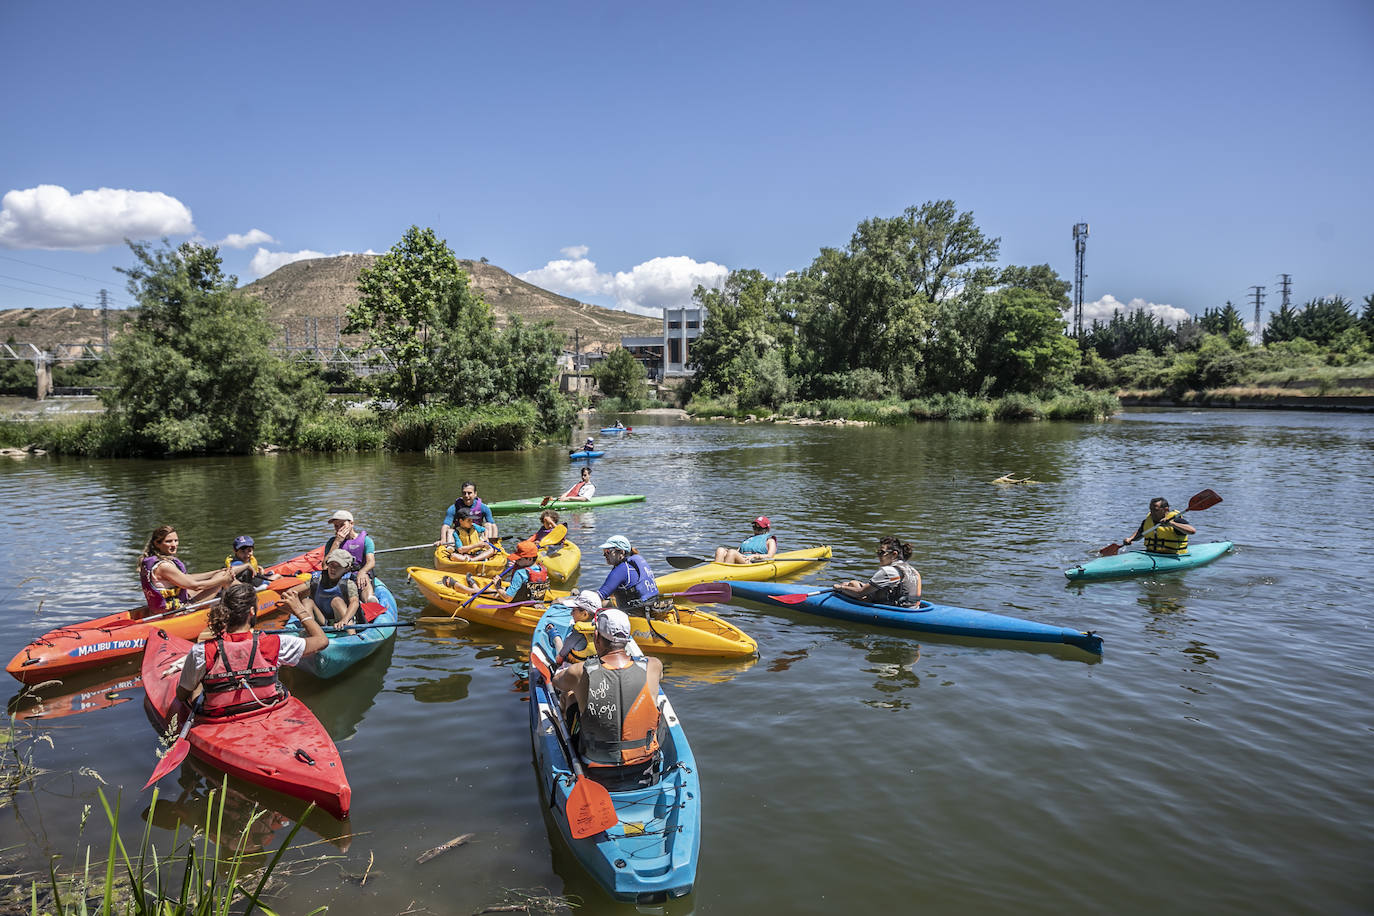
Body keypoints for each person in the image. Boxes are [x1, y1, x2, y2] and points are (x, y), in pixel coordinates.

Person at [175, 582, 327, 718]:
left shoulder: (202, 650)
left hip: (218, 716)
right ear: (252, 612)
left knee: (196, 686)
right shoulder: (275, 643)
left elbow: (182, 695)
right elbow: (322, 641)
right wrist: (299, 610)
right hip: (265, 709)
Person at [553, 608, 663, 771]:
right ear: (627, 639)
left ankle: (565, 738)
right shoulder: (654, 665)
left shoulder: (579, 671)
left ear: (596, 637)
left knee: (570, 696)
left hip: (595, 763)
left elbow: (557, 682)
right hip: (645, 762)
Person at [137, 525, 238, 619]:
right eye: (168, 541)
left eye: (176, 540)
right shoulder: (164, 566)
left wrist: (217, 572)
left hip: (159, 610)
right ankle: (235, 610)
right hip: (173, 613)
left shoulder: (155, 561)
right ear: (157, 543)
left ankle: (232, 599)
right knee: (220, 581)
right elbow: (195, 586)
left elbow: (187, 577)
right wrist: (223, 579)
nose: (174, 545)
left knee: (220, 575)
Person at [596, 535, 675, 616]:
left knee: (595, 607)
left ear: (621, 552)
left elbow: (599, 596)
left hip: (634, 614)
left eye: (608, 551)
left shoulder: (622, 569)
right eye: (604, 551)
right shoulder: (636, 562)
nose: (604, 555)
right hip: (649, 609)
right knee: (607, 603)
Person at [833, 537, 922, 607]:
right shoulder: (913, 570)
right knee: (852, 584)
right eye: (878, 552)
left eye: (881, 552)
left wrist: (839, 588)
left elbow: (859, 592)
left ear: (894, 554)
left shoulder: (888, 571)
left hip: (896, 609)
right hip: (912, 607)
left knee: (852, 584)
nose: (878, 556)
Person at [295, 548, 362, 628]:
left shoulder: (349, 583)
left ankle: (352, 634)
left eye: (338, 566)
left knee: (336, 601)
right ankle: (308, 630)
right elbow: (292, 592)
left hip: (342, 619)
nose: (333, 569)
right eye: (331, 565)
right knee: (307, 601)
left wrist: (345, 619)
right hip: (322, 618)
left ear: (347, 568)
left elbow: (354, 602)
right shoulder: (317, 579)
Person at [1122, 497, 1196, 554]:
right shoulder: (1148, 521)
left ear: (1166, 509)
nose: (1152, 512)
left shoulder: (1175, 520)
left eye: (1155, 510)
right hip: (1151, 553)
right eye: (1151, 509)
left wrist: (1172, 524)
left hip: (1172, 555)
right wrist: (1130, 539)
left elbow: (1192, 531)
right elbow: (1139, 534)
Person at [714, 516, 778, 564]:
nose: (756, 529)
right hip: (743, 559)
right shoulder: (748, 539)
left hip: (753, 562)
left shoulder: (770, 540)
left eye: (759, 527)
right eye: (754, 526)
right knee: (720, 550)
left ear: (766, 528)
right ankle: (715, 571)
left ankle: (723, 574)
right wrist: (727, 552)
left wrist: (755, 556)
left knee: (732, 552)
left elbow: (770, 556)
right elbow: (737, 552)